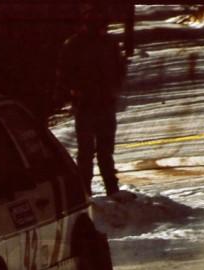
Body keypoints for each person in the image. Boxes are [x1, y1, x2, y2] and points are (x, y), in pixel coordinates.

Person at [57, 6, 127, 197]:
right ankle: (85, 191)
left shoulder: (108, 44)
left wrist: (114, 89)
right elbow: (64, 73)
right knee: (87, 152)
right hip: (86, 103)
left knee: (105, 150)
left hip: (104, 102)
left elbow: (119, 69)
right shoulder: (74, 45)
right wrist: (74, 91)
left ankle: (111, 188)